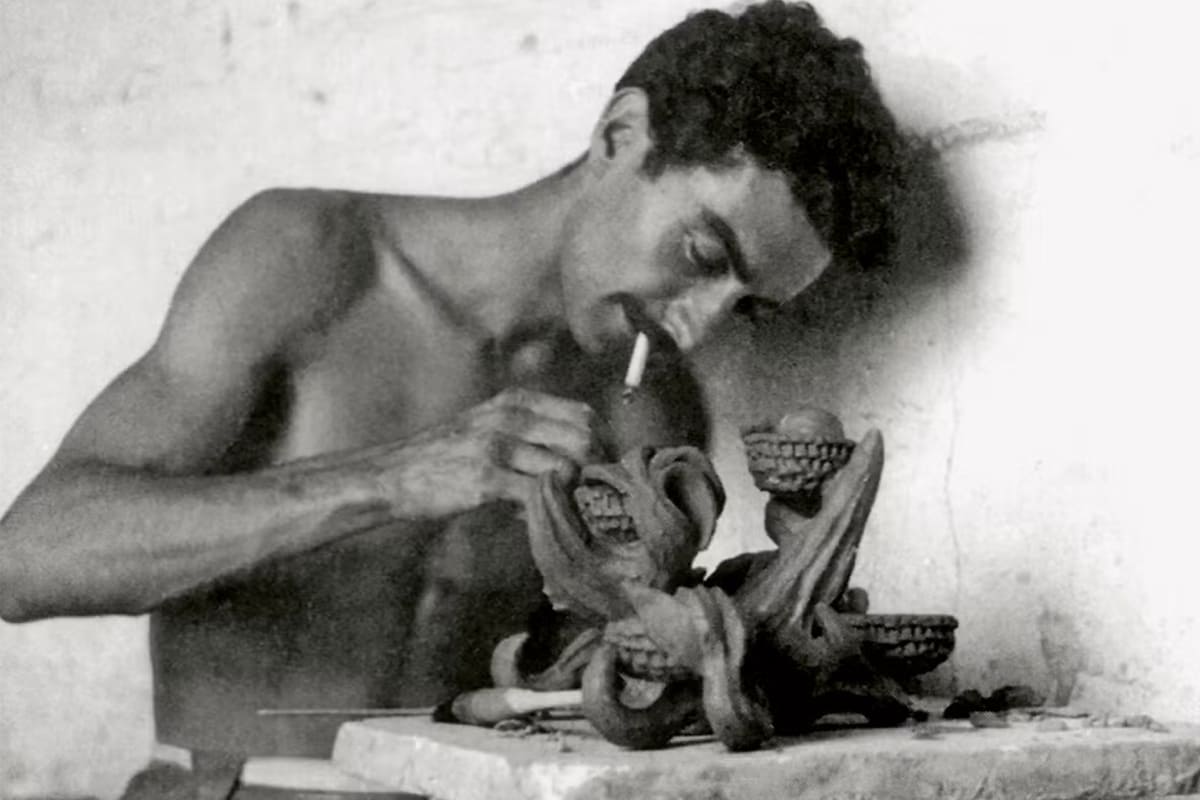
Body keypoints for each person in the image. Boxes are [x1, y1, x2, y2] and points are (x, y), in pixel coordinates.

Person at [0, 1, 902, 796]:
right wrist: (391, 478)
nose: (698, 326)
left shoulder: (650, 413)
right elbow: (28, 559)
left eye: (745, 307)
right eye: (703, 256)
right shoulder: (314, 258)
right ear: (621, 133)